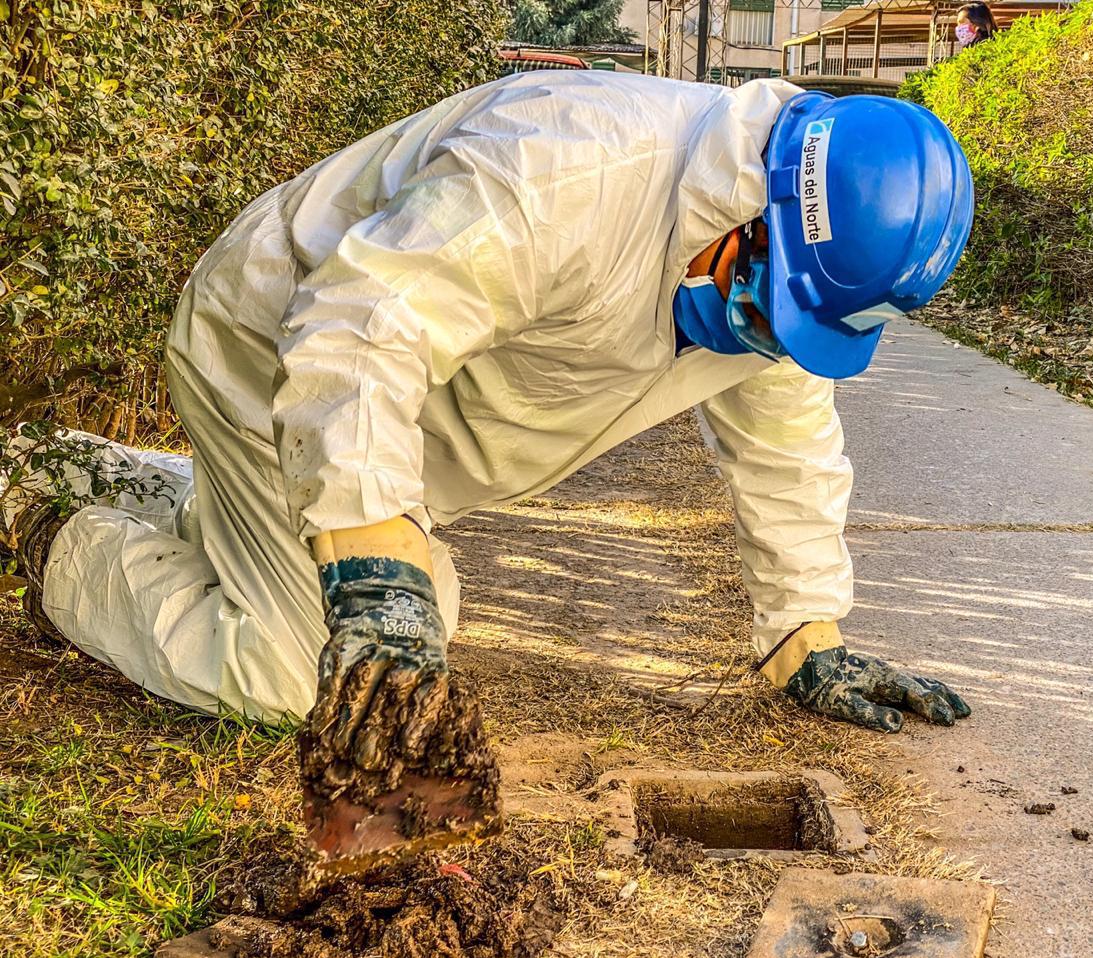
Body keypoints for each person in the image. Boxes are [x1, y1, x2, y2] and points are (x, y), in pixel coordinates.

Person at [2, 73, 974, 759]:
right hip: (279, 345)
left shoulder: (778, 284)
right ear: (752, 209)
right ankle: (46, 534)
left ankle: (77, 469)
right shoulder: (566, 170)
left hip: (405, 404)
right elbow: (360, 330)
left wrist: (806, 631)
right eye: (767, 307)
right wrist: (376, 579)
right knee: (300, 670)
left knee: (390, 582)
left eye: (797, 326)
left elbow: (786, 444)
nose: (758, 337)